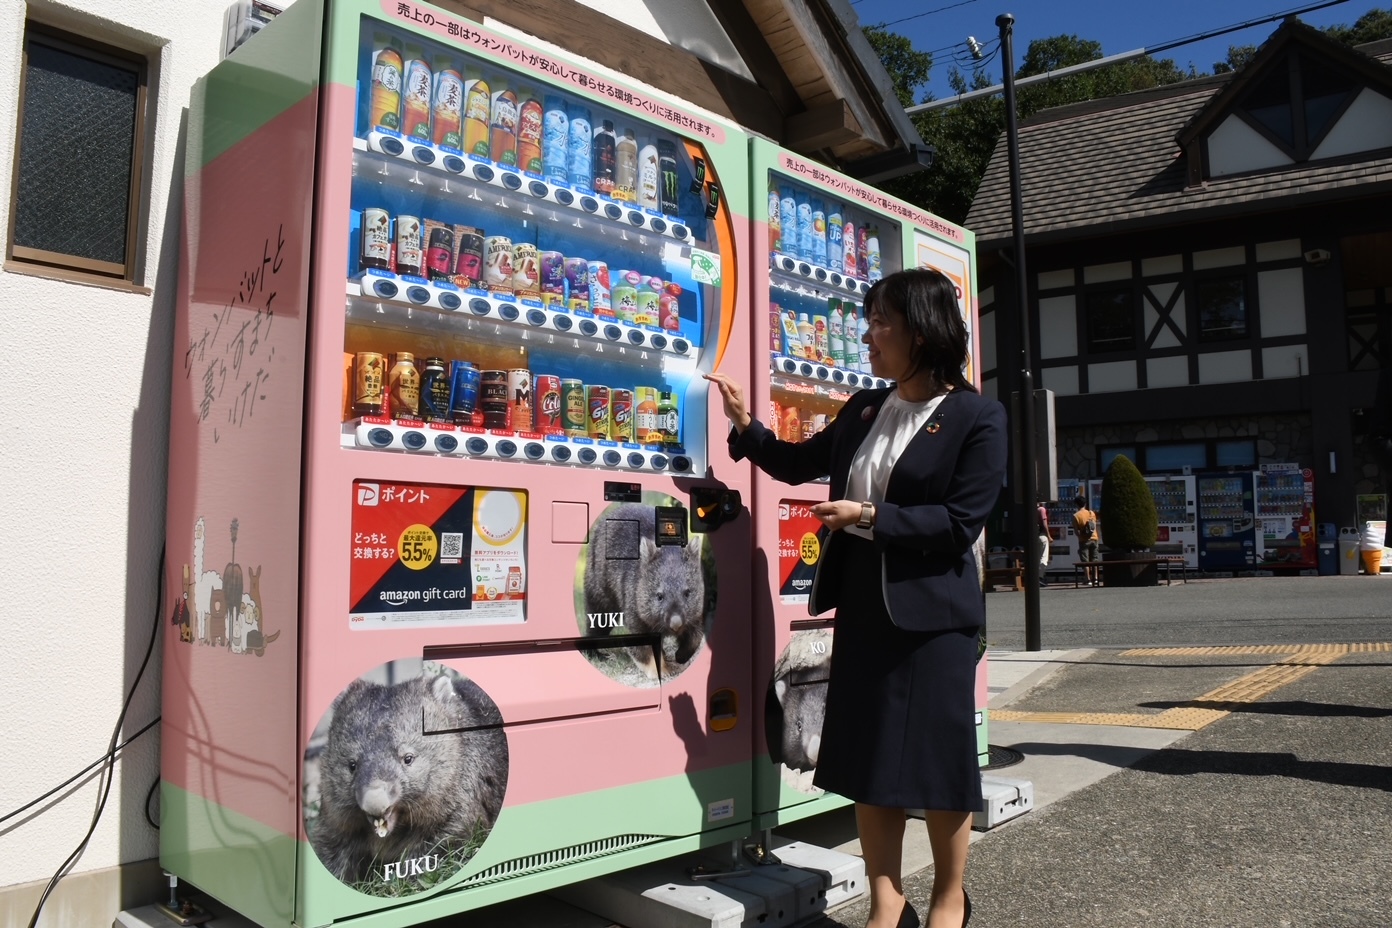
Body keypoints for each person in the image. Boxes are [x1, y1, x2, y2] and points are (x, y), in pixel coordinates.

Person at [706, 268, 1005, 928]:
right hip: (867, 609)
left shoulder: (978, 416)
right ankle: (886, 899)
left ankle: (950, 897)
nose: (868, 336)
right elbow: (795, 462)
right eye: (869, 322)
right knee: (871, 760)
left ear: (922, 334)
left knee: (937, 762)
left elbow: (961, 522)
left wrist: (869, 516)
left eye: (881, 323)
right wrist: (745, 425)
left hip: (935, 618)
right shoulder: (865, 408)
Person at [1073, 494, 1100, 586]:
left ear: (1076, 504)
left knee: (1085, 560)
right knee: (1094, 559)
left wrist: (1080, 536)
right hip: (1094, 538)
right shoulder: (1091, 513)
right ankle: (1096, 578)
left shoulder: (1076, 516)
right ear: (1085, 504)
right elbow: (1094, 526)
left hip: (1083, 540)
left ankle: (1087, 579)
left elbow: (1076, 531)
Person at [1036, 499, 1052, 587]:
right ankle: (1040, 577)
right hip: (1042, 536)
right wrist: (1049, 536)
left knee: (1037, 558)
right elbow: (1044, 524)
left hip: (1034, 537)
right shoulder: (1041, 509)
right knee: (1043, 558)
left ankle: (1037, 577)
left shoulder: (1031, 509)